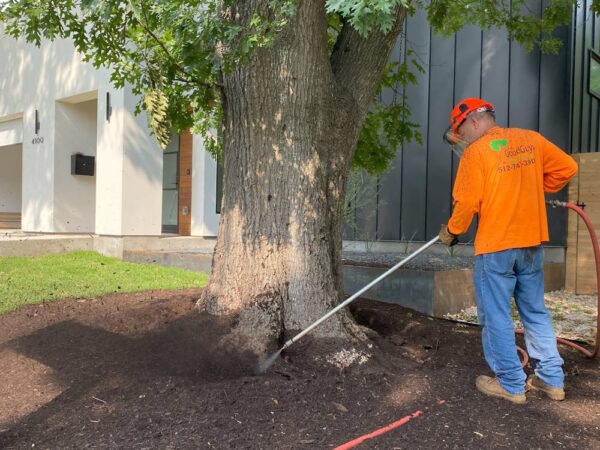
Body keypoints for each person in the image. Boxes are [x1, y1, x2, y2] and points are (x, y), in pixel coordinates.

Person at [439, 98, 578, 404]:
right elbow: (568, 167)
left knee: (496, 315)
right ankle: (552, 381)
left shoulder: (477, 153)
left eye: (462, 132)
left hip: (496, 247)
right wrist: (532, 183)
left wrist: (451, 232)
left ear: (474, 121)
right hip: (530, 244)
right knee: (535, 311)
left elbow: (466, 203)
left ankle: (512, 384)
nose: (463, 140)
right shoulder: (530, 140)